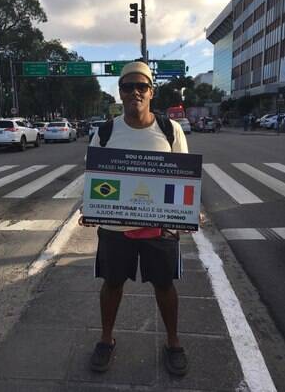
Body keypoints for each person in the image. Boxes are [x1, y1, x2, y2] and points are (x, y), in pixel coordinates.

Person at [80, 61, 189, 376]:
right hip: (115, 227)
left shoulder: (170, 130)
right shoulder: (106, 130)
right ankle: (105, 339)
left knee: (164, 284)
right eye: (128, 87)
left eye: (142, 86)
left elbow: (184, 178)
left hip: (159, 228)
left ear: (151, 92)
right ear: (120, 92)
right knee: (112, 283)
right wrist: (88, 207)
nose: (135, 92)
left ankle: (173, 342)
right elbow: (93, 177)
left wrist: (186, 213)